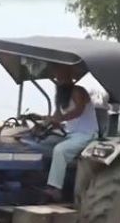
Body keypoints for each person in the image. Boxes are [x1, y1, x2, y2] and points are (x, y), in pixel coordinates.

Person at [41, 65, 98, 201]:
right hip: (70, 135)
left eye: (61, 76)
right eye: (57, 77)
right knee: (41, 145)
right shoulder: (61, 97)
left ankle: (56, 189)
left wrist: (59, 119)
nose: (58, 79)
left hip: (86, 134)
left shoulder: (78, 91)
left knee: (60, 150)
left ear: (70, 76)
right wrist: (44, 123)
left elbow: (78, 110)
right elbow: (56, 117)